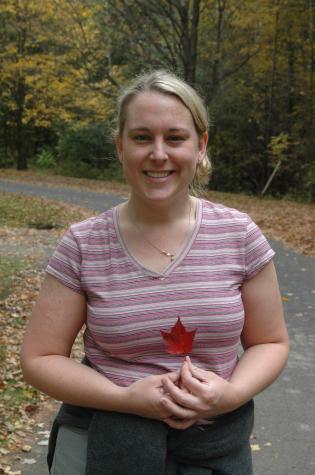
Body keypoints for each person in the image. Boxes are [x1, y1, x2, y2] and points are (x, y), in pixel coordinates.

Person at [20, 70, 289, 475]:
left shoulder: (239, 235)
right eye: (142, 137)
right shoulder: (83, 244)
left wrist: (230, 394)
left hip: (216, 451)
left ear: (201, 146)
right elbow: (40, 358)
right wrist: (125, 398)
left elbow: (270, 342)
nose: (158, 153)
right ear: (120, 147)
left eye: (175, 138)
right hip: (101, 444)